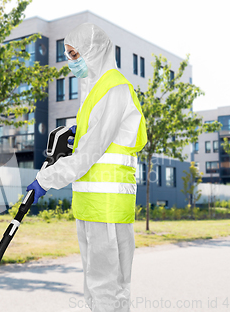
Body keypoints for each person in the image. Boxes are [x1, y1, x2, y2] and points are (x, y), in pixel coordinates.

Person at [26, 23, 147, 312]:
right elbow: (91, 141)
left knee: (107, 289)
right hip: (92, 207)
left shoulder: (114, 89)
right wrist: (77, 130)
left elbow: (88, 155)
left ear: (93, 52)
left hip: (107, 208)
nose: (71, 61)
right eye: (68, 54)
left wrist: (45, 178)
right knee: (97, 287)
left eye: (74, 54)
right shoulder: (96, 91)